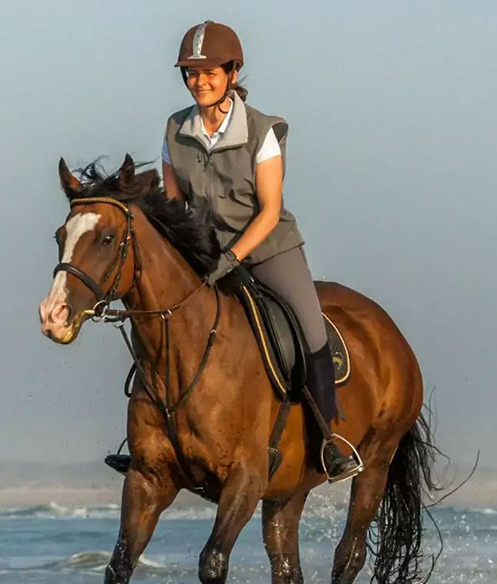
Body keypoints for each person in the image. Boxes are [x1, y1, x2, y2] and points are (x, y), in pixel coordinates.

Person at [105, 21, 357, 480]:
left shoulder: (262, 131)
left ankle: (330, 442)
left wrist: (233, 258)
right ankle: (147, 437)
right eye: (190, 74)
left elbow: (269, 210)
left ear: (232, 73)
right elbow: (175, 205)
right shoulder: (174, 130)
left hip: (268, 248)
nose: (198, 82)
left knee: (309, 330)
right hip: (206, 253)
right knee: (163, 322)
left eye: (208, 73)